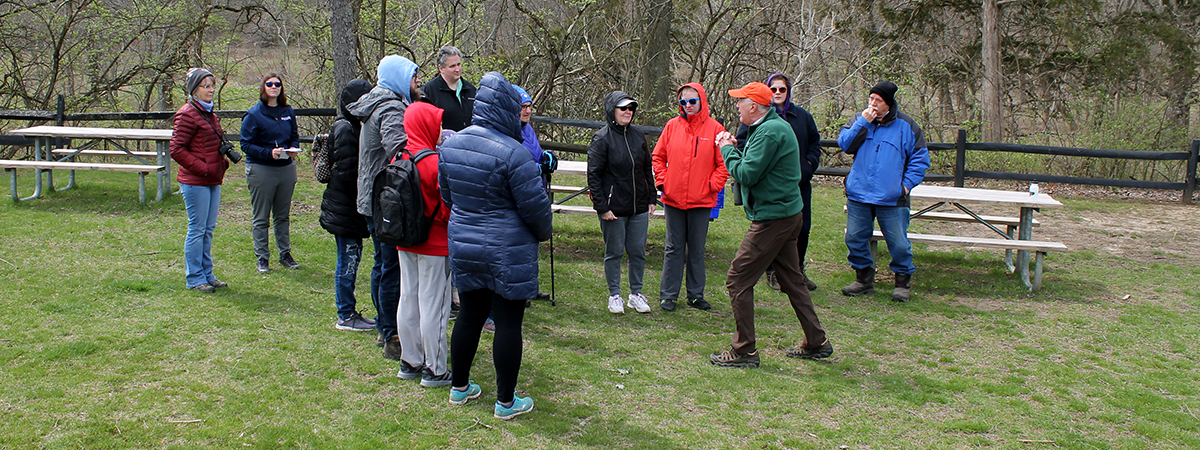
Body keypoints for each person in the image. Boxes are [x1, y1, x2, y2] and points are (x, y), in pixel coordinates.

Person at [439, 71, 552, 420]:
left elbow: (448, 196)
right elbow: (536, 212)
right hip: (507, 250)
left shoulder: (452, 144)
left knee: (470, 314)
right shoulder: (515, 154)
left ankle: (459, 387)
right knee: (507, 323)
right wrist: (542, 231)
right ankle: (506, 401)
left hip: (465, 242)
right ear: (505, 108)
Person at [709, 82, 832, 368]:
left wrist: (727, 149)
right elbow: (756, 165)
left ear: (754, 106)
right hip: (787, 215)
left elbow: (747, 174)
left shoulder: (770, 131)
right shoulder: (768, 127)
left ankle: (744, 351)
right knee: (792, 280)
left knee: (738, 278)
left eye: (740, 102)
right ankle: (817, 342)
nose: (737, 106)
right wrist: (737, 147)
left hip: (774, 219)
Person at [347, 55, 422, 359]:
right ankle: (392, 335)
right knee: (390, 268)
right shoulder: (391, 107)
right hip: (386, 201)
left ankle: (383, 325)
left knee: (382, 264)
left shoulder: (380, 103)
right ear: (399, 78)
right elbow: (400, 151)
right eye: (413, 76)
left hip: (374, 198)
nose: (418, 82)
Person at [837, 80, 930, 302]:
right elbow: (845, 145)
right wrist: (863, 123)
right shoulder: (860, 121)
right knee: (855, 238)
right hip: (859, 193)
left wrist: (905, 186)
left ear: (888, 104)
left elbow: (920, 159)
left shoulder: (907, 125)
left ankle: (902, 282)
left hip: (892, 197)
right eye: (871, 98)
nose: (872, 103)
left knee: (898, 242)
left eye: (877, 100)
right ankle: (863, 279)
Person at [737, 73, 822, 292]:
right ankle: (774, 272)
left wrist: (809, 165)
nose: (777, 93)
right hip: (771, 188)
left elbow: (814, 142)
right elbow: (744, 147)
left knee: (800, 228)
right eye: (773, 89)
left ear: (788, 92)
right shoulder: (757, 122)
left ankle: (796, 271)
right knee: (775, 233)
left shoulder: (801, 116)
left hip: (799, 183)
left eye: (781, 89)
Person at [651, 82, 729, 312]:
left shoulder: (715, 129)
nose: (688, 105)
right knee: (673, 248)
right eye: (683, 102)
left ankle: (695, 295)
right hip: (674, 199)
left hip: (701, 200)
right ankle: (668, 296)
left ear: (702, 100)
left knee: (696, 248)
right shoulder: (672, 126)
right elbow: (658, 156)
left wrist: (711, 186)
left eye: (692, 101)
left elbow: (723, 163)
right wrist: (663, 181)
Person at [393, 100, 454, 387]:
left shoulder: (398, 158)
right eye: (437, 123)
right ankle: (436, 368)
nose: (440, 129)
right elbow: (446, 208)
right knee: (435, 306)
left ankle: (410, 359)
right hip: (435, 244)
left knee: (408, 299)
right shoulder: (434, 163)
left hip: (405, 242)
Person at [587, 91, 656, 314]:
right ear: (612, 111)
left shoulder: (638, 135)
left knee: (637, 251)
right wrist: (602, 207)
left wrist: (651, 197)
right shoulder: (602, 138)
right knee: (614, 252)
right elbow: (594, 176)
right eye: (623, 108)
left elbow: (647, 169)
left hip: (638, 206)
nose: (628, 112)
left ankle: (636, 293)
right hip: (613, 208)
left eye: (631, 108)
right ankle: (614, 295)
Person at [320, 79, 378, 332]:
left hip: (352, 206)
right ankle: (345, 314)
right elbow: (346, 171)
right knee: (348, 260)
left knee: (352, 258)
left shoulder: (358, 126)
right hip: (345, 207)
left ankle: (349, 310)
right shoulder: (345, 128)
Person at [170, 67, 231, 293]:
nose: (211, 90)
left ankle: (207, 274)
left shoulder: (208, 113)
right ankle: (195, 278)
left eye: (212, 85)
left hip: (213, 178)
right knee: (197, 229)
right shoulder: (187, 113)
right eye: (206, 86)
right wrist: (203, 169)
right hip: (195, 180)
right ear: (194, 90)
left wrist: (221, 161)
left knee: (208, 229)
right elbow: (176, 149)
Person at [240, 73, 301, 273]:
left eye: (277, 84)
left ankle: (285, 254)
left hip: (285, 168)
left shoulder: (288, 111)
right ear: (263, 87)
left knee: (282, 216)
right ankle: (262, 257)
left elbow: (294, 137)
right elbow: (245, 144)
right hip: (261, 169)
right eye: (270, 84)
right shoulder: (254, 114)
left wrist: (292, 149)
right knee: (261, 217)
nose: (274, 87)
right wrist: (268, 153)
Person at [422, 46, 475, 132]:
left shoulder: (471, 89)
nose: (457, 69)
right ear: (441, 68)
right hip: (443, 144)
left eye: (459, 64)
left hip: (470, 142)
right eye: (452, 66)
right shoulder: (429, 92)